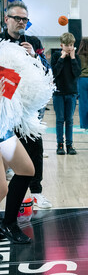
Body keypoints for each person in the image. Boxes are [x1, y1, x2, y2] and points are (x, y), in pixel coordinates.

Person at [0, 1, 53, 219]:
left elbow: (47, 73)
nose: (22, 23)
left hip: (27, 115)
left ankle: (37, 192)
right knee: (6, 173)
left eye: (25, 19)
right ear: (6, 19)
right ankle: (8, 219)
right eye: (17, 18)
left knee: (34, 151)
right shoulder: (1, 42)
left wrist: (34, 57)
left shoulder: (32, 42)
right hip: (4, 117)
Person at [0, 79, 35, 244]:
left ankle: (8, 224)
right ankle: (8, 224)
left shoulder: (8, 60)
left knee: (25, 170)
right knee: (1, 189)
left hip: (3, 126)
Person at [51, 32, 81, 155]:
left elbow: (77, 73)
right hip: (58, 93)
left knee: (69, 120)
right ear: (61, 45)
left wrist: (73, 59)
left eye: (71, 45)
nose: (69, 47)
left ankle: (69, 145)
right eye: (67, 45)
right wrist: (62, 58)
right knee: (59, 120)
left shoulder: (76, 57)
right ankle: (60, 145)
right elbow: (54, 73)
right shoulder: (56, 56)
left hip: (71, 93)